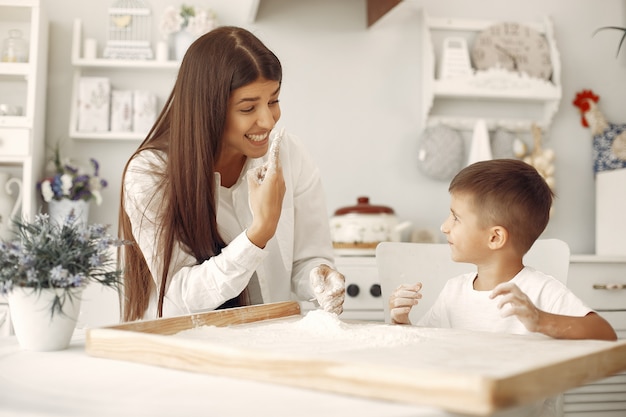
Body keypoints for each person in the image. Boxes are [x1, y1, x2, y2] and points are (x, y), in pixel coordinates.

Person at [119, 26, 344, 322]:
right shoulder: (150, 174)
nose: (268, 120)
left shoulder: (288, 153)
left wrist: (319, 276)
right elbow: (183, 295)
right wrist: (258, 234)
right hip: (185, 347)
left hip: (271, 341)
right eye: (248, 107)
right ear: (208, 109)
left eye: (273, 101)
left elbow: (309, 258)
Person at [389, 159, 617, 341]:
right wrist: (402, 321)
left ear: (495, 237)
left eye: (456, 218)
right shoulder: (453, 292)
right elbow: (424, 346)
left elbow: (606, 334)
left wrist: (539, 320)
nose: (444, 226)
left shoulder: (540, 291)